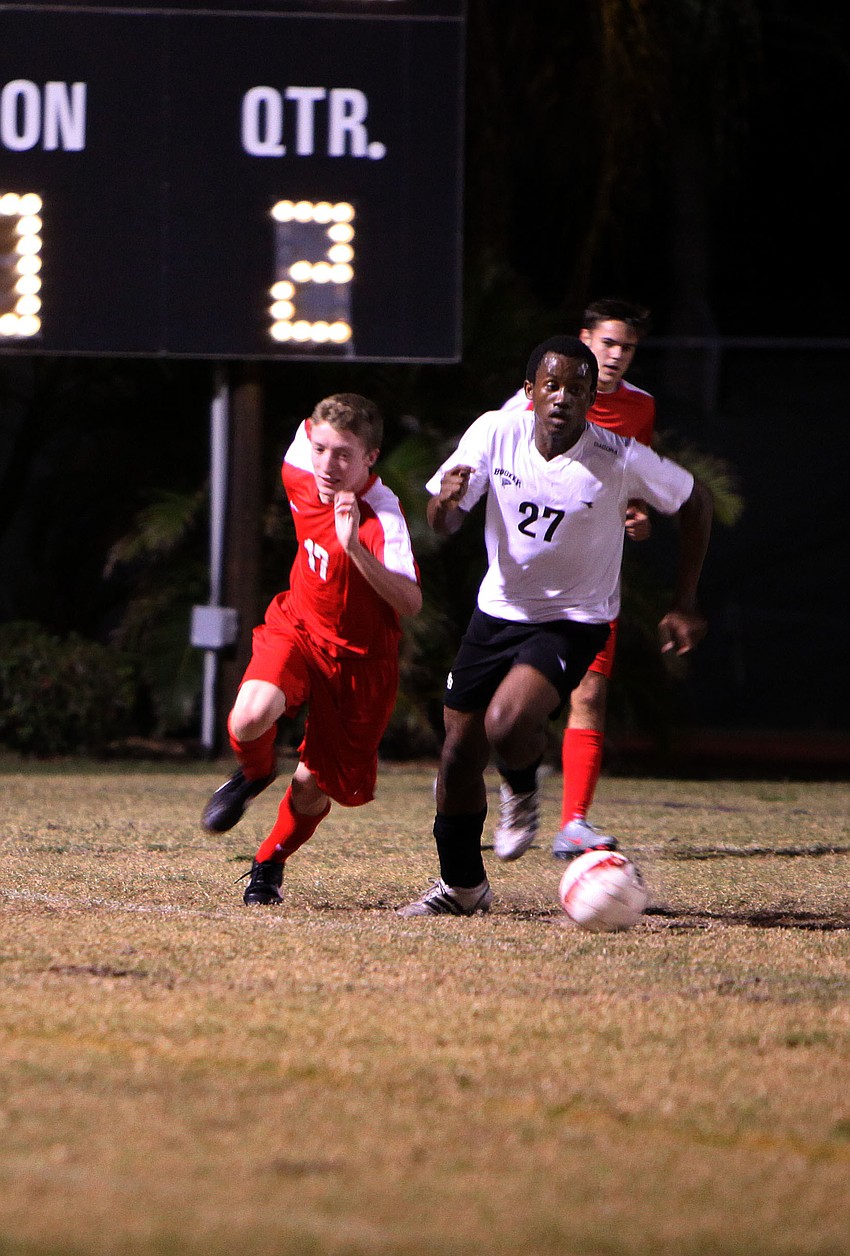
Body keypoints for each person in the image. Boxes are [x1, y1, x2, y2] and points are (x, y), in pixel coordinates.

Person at [397, 336, 711, 917]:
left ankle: (520, 784)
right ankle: (462, 888)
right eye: (552, 385)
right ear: (530, 392)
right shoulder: (495, 431)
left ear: (593, 399)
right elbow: (442, 521)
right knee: (457, 756)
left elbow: (696, 502)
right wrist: (446, 500)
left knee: (506, 720)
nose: (563, 398)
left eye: (577, 388)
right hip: (497, 612)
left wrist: (685, 601)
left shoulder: (619, 456)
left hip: (575, 619)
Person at [201, 392, 422, 905]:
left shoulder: (381, 516)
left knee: (310, 788)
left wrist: (353, 548)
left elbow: (410, 601)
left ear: (370, 458)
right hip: (298, 626)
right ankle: (255, 773)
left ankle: (267, 863)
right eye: (321, 449)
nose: (328, 465)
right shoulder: (303, 466)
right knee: (247, 719)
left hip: (358, 664)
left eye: (344, 454)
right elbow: (311, 437)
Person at [500, 298, 656, 859]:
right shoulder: (529, 403)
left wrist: (637, 514)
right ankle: (513, 785)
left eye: (627, 347)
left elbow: (636, 482)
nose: (616, 356)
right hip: (525, 586)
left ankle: (574, 823)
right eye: (607, 343)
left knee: (591, 692)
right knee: (500, 710)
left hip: (592, 581)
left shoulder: (640, 410)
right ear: (584, 339)